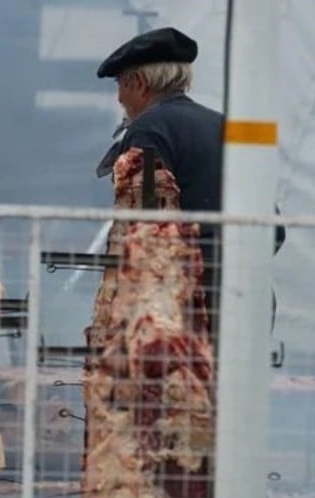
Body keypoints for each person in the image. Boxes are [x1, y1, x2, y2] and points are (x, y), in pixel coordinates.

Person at [94, 26, 284, 346]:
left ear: (138, 84)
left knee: (169, 392)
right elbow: (274, 229)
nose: (119, 98)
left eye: (120, 85)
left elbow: (146, 222)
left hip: (186, 306)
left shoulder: (148, 131)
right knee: (231, 395)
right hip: (251, 297)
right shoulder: (226, 126)